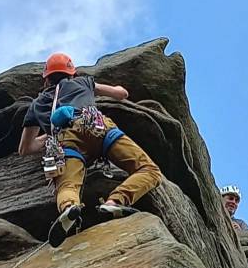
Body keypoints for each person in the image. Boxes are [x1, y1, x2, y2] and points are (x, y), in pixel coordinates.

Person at [17, 52, 162, 246]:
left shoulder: (36, 105)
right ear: (71, 73)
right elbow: (121, 94)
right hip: (97, 127)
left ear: (46, 79)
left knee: (67, 186)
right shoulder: (83, 82)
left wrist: (50, 134)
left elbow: (26, 148)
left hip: (65, 141)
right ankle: (115, 202)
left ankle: (69, 208)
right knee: (149, 170)